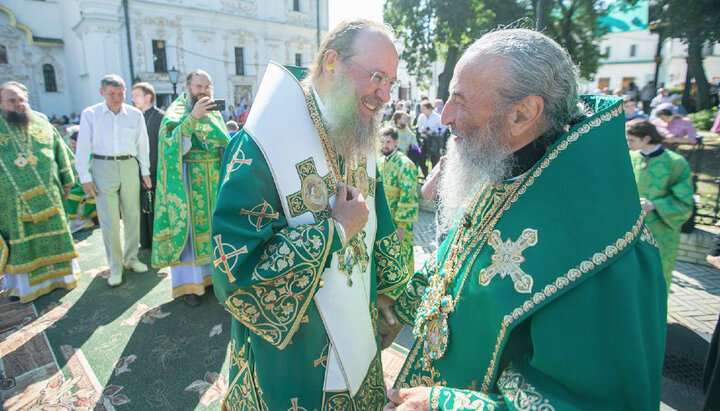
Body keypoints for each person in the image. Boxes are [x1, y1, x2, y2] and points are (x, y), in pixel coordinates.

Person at [384, 28, 667, 410]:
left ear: (522, 114)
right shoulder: (506, 169)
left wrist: (445, 404)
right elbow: (456, 262)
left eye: (460, 101)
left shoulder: (602, 249)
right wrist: (396, 309)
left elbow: (583, 401)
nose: (445, 116)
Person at [212, 19, 409, 409]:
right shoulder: (260, 146)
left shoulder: (356, 129)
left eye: (391, 82)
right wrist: (334, 231)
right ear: (331, 62)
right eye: (375, 76)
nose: (385, 95)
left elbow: (379, 218)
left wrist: (388, 293)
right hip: (296, 351)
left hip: (361, 321)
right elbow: (234, 270)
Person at [151, 70, 230, 306]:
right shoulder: (176, 112)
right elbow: (170, 147)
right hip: (187, 182)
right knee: (190, 236)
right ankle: (190, 288)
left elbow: (223, 142)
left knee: (214, 231)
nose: (203, 91)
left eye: (207, 86)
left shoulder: (214, 114)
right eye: (198, 86)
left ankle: (213, 280)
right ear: (187, 87)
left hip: (213, 181)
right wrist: (192, 118)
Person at [0, 81, 80, 302]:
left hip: (50, 197)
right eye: (11, 100)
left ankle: (61, 280)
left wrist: (66, 182)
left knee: (56, 240)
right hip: (12, 205)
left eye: (21, 99)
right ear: (1, 103)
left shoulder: (43, 125)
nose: (18, 104)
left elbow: (61, 154)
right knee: (23, 246)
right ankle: (22, 288)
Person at [75, 74, 151, 287]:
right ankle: (115, 267)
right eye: (112, 94)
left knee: (132, 215)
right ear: (102, 93)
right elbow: (82, 147)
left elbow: (142, 144)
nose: (116, 98)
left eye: (120, 94)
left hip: (129, 165)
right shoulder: (90, 114)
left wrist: (145, 172)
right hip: (102, 166)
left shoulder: (135, 114)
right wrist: (85, 177)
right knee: (109, 221)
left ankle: (131, 258)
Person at [626, 119, 693, 292]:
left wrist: (655, 204)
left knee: (657, 275)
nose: (627, 144)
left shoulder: (676, 163)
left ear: (646, 138)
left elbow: (684, 200)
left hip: (661, 231)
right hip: (630, 228)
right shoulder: (630, 158)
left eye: (631, 140)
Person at [378, 126, 419, 276]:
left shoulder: (405, 164)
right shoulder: (379, 162)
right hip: (382, 218)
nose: (385, 145)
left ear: (396, 142)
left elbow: (408, 196)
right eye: (382, 142)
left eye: (388, 141)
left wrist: (401, 226)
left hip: (398, 221)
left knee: (401, 255)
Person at [130, 82, 165, 250]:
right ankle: (144, 242)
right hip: (137, 170)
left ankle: (157, 243)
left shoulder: (160, 117)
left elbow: (160, 147)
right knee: (141, 208)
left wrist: (150, 171)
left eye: (136, 95)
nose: (133, 99)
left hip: (154, 170)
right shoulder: (135, 116)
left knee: (154, 208)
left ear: (148, 96)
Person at [64, 127, 97, 233]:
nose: (73, 146)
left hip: (88, 186)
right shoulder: (76, 153)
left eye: (75, 143)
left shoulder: (91, 154)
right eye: (72, 144)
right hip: (78, 184)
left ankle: (81, 223)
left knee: (70, 196)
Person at [417, 100, 444, 176]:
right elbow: (418, 127)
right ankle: (426, 174)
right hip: (424, 139)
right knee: (421, 158)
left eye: (424, 108)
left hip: (434, 140)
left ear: (429, 108)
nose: (422, 110)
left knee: (434, 158)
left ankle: (433, 176)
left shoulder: (437, 116)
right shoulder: (421, 116)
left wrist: (433, 131)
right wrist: (422, 130)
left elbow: (443, 128)